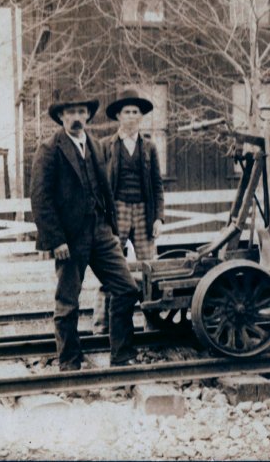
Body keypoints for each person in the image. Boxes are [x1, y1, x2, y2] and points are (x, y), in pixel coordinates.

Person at [30, 89, 140, 370]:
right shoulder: (50, 149)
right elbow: (41, 200)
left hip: (101, 232)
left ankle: (122, 355)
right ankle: (70, 362)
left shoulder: (95, 144)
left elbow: (104, 189)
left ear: (88, 115)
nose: (76, 118)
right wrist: (56, 240)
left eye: (81, 112)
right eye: (70, 113)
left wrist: (112, 228)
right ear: (61, 117)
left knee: (126, 288)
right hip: (70, 238)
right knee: (67, 302)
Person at [92, 88, 166, 334]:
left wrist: (159, 217)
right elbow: (100, 187)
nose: (132, 116)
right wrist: (104, 219)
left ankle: (152, 322)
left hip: (144, 212)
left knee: (149, 269)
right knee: (110, 265)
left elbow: (157, 184)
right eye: (127, 112)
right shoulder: (105, 147)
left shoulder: (150, 148)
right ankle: (102, 324)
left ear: (140, 117)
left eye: (136, 112)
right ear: (119, 117)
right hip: (117, 211)